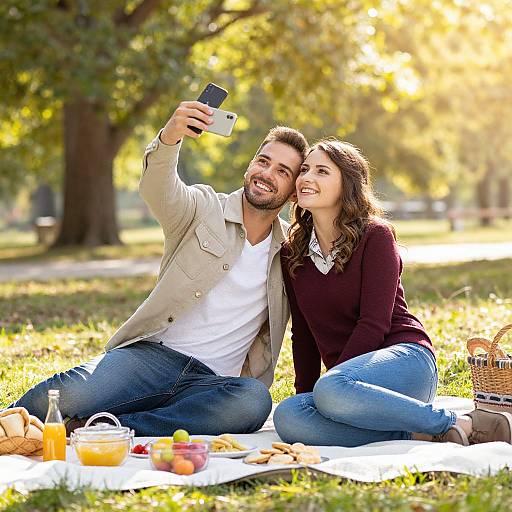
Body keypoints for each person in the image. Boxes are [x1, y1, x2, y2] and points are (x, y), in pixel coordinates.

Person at [11, 101, 308, 436]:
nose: (267, 174)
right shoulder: (202, 207)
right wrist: (170, 137)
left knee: (252, 402)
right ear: (250, 165)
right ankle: (9, 423)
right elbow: (158, 188)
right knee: (71, 393)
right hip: (151, 360)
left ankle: (108, 429)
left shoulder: (290, 253)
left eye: (283, 171)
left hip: (212, 383)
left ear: (295, 191)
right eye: (263, 161)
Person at [274, 139, 512, 447]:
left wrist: (336, 385)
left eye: (322, 171)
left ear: (347, 184)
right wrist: (310, 397)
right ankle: (420, 432)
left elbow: (374, 324)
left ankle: (456, 422)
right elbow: (303, 335)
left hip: (405, 362)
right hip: (348, 388)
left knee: (330, 389)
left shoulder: (375, 236)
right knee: (288, 416)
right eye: (305, 169)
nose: (307, 177)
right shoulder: (292, 254)